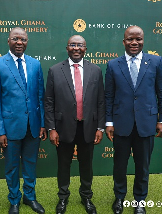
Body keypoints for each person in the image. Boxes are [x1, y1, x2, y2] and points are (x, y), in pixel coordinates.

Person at [105, 26, 162, 214]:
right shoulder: (112, 65)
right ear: (123, 41)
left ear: (143, 40)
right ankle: (119, 198)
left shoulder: (156, 62)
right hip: (121, 124)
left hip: (146, 123)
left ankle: (140, 201)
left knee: (143, 166)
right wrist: (109, 123)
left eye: (138, 39)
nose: (134, 43)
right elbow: (108, 97)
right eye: (130, 39)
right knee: (119, 165)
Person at [0, 27, 47, 214]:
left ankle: (29, 196)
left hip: (33, 126)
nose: (19, 42)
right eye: (15, 39)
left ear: (27, 41)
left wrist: (43, 123)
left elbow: (40, 97)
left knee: (30, 164)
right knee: (12, 167)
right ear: (8, 41)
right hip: (9, 127)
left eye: (23, 39)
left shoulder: (35, 64)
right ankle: (14, 199)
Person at [45, 35, 105, 214]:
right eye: (72, 45)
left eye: (80, 45)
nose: (76, 48)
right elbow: (49, 101)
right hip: (63, 127)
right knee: (63, 165)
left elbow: (101, 101)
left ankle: (86, 196)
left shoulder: (96, 70)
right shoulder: (55, 70)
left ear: (85, 48)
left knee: (86, 165)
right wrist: (51, 128)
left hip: (88, 127)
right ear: (67, 48)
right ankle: (63, 198)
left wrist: (100, 127)